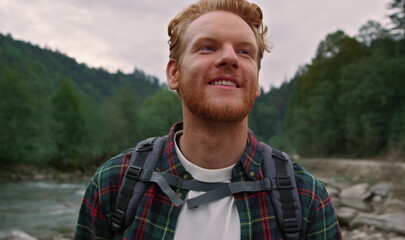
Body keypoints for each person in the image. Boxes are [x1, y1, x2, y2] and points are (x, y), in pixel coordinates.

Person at [75, 0, 341, 239]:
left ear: (257, 82)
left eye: (245, 52)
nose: (229, 58)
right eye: (207, 47)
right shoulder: (115, 182)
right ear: (174, 73)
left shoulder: (305, 197)